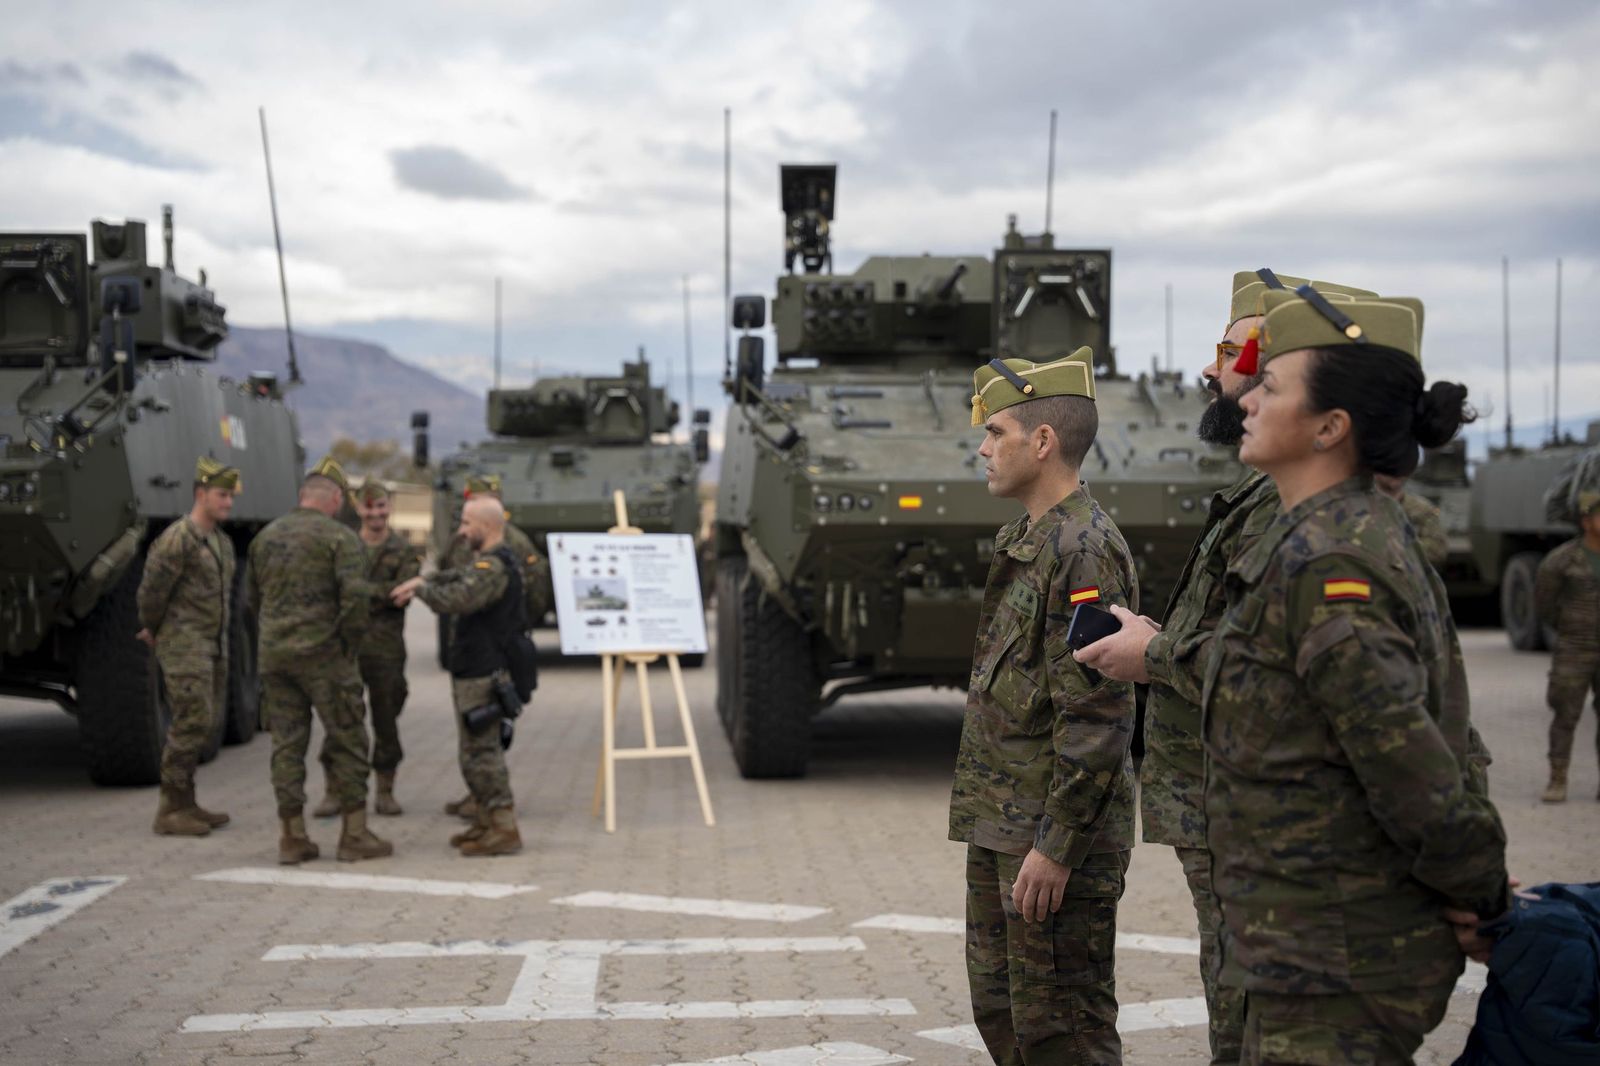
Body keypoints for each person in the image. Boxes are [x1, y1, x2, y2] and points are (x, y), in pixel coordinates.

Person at [1165, 289, 1507, 1062]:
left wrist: (1483, 898)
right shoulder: (1321, 538)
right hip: (1301, 956)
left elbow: (1413, 771)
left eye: (1273, 386)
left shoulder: (1332, 563)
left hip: (1337, 964)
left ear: (1330, 427)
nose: (1249, 397)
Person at [1072, 269, 1374, 1063]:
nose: (1213, 371)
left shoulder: (1309, 511)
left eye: (1232, 351)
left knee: (1260, 1027)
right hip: (1232, 809)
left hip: (1276, 824)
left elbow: (1282, 670)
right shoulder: (1266, 495)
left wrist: (1155, 651)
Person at [947, 347, 1138, 1064]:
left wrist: (1058, 846)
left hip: (1049, 839)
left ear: (1043, 442)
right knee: (1006, 1016)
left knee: (1065, 1031)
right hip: (1005, 822)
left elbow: (1098, 715)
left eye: (996, 432)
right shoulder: (1033, 539)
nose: (983, 447)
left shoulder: (1084, 550)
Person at [248, 456, 392, 864]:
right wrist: (347, 643)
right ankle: (355, 834)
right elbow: (356, 600)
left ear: (301, 497)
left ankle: (292, 837)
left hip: (276, 658)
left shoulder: (265, 537)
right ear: (332, 499)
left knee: (286, 745)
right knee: (348, 740)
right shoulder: (340, 538)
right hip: (326, 657)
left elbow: (251, 600)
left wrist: (276, 633)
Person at [394, 496, 526, 856]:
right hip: (473, 669)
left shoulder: (495, 568)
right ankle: (486, 821)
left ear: (486, 525)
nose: (462, 531)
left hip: (484, 672)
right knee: (472, 751)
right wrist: (424, 579)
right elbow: (455, 577)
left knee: (483, 753)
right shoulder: (484, 563)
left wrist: (421, 589)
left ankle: (504, 826)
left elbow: (458, 599)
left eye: (467, 524)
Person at [137, 456, 240, 837]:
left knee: (205, 723)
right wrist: (152, 627)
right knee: (189, 722)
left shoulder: (220, 542)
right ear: (201, 494)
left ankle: (186, 802)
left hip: (213, 645)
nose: (228, 503)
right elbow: (152, 591)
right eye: (222, 495)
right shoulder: (177, 539)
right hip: (184, 644)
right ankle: (169, 808)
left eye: (230, 496)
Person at [438, 472, 550, 822]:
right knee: (472, 734)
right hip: (469, 643)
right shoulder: (461, 541)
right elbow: (449, 574)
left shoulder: (512, 543)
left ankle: (495, 805)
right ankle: (480, 796)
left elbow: (535, 588)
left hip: (493, 647)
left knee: (487, 735)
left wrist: (511, 625)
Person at [311, 480, 420, 818]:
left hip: (386, 651)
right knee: (341, 719)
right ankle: (334, 789)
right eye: (370, 508)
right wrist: (381, 594)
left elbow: (402, 593)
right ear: (358, 509)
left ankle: (385, 790)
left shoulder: (403, 549)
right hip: (348, 649)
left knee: (386, 720)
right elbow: (332, 592)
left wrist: (358, 592)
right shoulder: (343, 546)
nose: (376, 514)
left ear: (390, 508)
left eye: (382, 507)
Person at [1533, 490, 1600, 803]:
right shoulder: (1561, 560)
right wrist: (1568, 628)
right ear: (1587, 522)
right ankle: (1557, 779)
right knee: (1565, 714)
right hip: (1575, 647)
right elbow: (1545, 604)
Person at [1375, 473, 1449, 570]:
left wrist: (1392, 550)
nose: (1394, 471)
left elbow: (1437, 550)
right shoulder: (1360, 505)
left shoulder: (1422, 509)